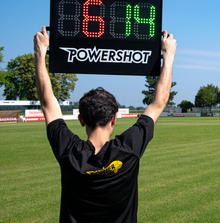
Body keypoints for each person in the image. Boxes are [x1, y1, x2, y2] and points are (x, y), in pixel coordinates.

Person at [34, 26, 177, 222]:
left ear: (81, 120)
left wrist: (40, 52)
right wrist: (168, 55)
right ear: (114, 119)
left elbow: (46, 101)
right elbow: (159, 103)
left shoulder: (69, 152)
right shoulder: (128, 149)